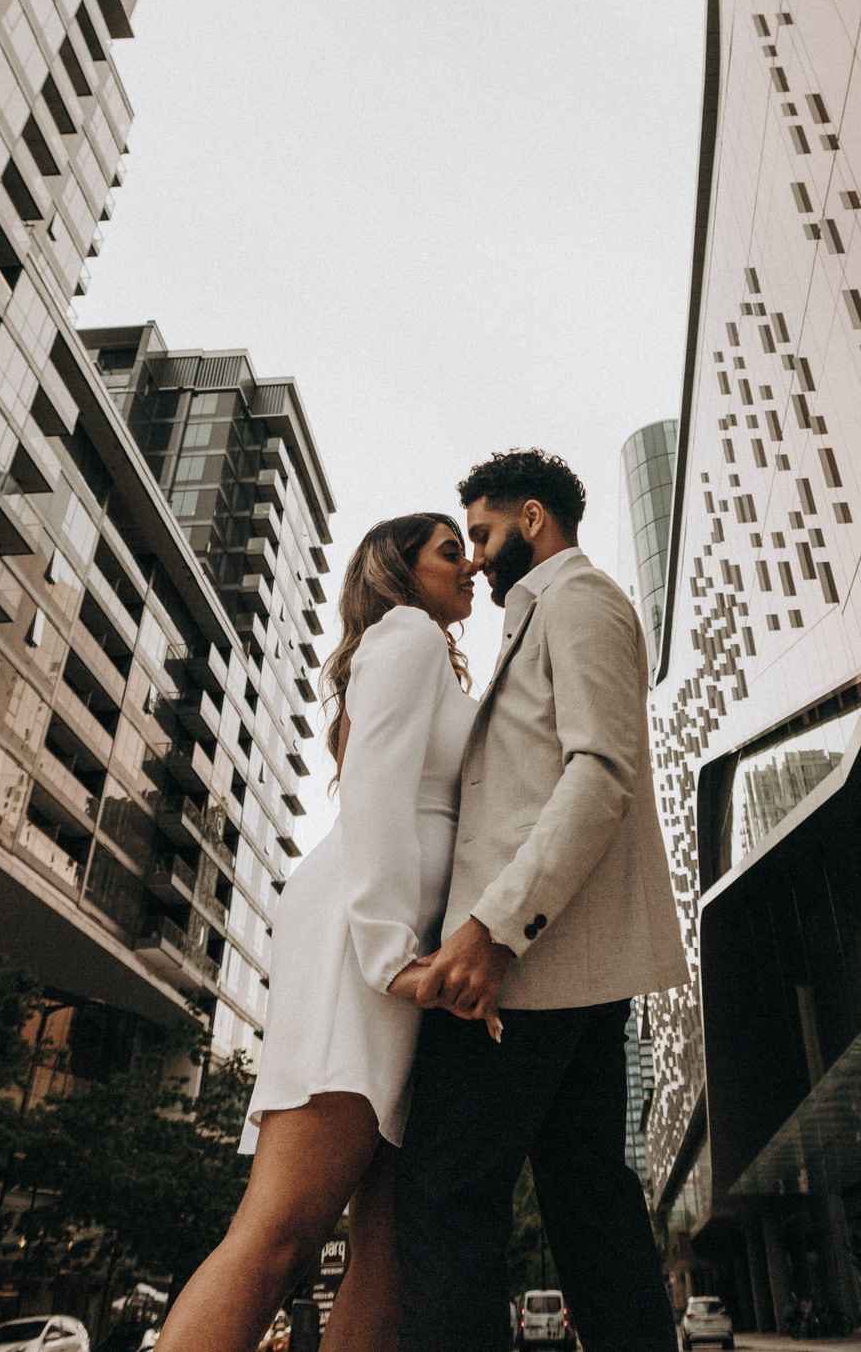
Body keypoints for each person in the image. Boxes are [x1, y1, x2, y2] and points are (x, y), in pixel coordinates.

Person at [155, 514, 479, 1352]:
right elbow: (373, 790)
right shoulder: (406, 634)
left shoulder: (427, 654)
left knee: (388, 1247)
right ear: (401, 570)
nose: (470, 563)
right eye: (451, 550)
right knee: (283, 1234)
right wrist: (389, 955)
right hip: (368, 945)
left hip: (408, 950)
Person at [396, 449, 689, 1350]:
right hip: (559, 968)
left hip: (521, 967)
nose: (474, 557)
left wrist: (491, 930)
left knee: (446, 1195)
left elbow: (600, 773)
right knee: (591, 1207)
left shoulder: (581, 600)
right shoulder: (546, 613)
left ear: (532, 520)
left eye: (481, 534)